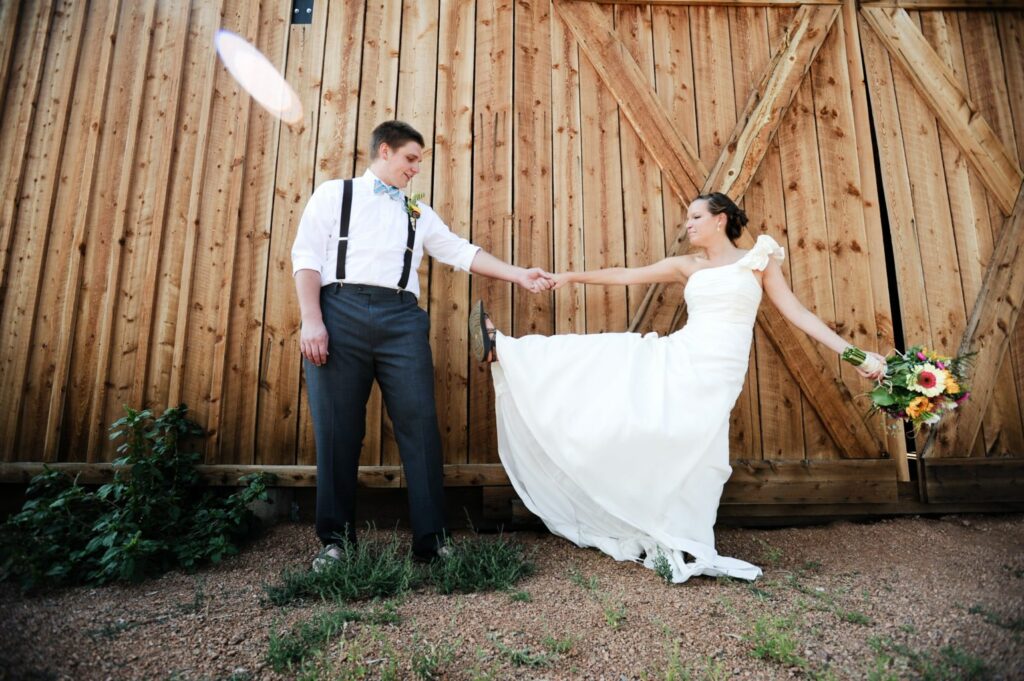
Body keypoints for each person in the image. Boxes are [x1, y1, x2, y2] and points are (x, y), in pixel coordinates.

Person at [469, 192, 885, 582]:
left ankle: (682, 531)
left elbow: (797, 313)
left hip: (720, 371)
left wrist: (857, 356)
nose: (688, 225)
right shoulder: (688, 266)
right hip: (682, 355)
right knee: (607, 357)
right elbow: (626, 276)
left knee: (699, 447)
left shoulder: (759, 260)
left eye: (696, 217)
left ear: (720, 220)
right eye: (688, 218)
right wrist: (571, 276)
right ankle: (504, 349)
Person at [292, 120, 553, 569]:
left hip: (401, 320)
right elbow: (306, 257)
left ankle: (433, 542)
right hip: (339, 313)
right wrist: (312, 321)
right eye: (411, 158)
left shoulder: (417, 211)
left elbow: (460, 251)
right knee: (338, 432)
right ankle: (335, 543)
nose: (416, 169)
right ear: (386, 151)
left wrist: (518, 273)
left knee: (421, 427)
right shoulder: (335, 193)